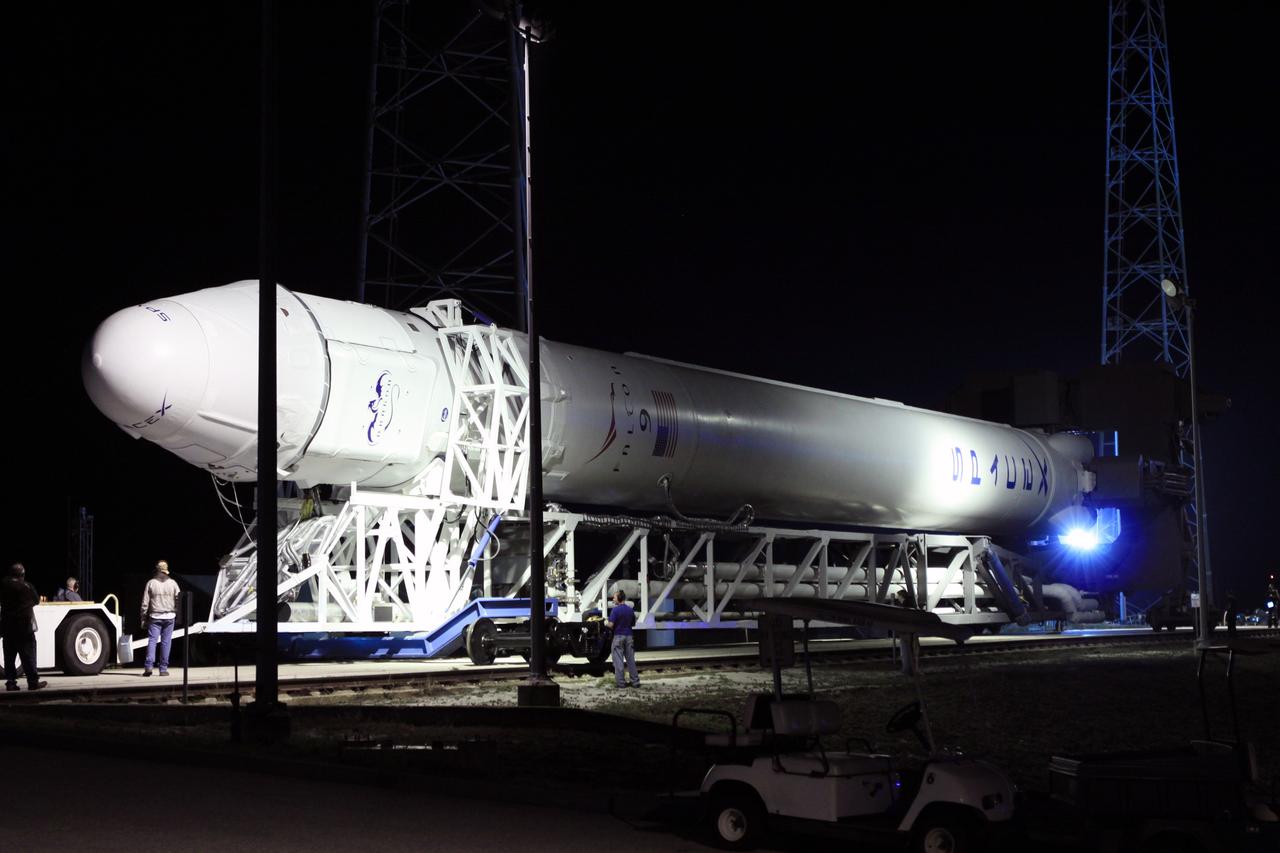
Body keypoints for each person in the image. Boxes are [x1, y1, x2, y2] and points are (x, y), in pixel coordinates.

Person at [1, 563, 47, 691]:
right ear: (22, 574)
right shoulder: (26, 587)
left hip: (7, 627)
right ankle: (33, 682)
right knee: (28, 655)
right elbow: (36, 600)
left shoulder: (4, 585)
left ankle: (10, 683)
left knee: (9, 657)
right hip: (24, 628)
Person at [141, 559, 181, 676]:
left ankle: (148, 666)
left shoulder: (151, 583)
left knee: (152, 641)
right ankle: (163, 669)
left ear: (157, 570)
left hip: (155, 616)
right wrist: (177, 613)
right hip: (169, 616)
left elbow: (145, 602)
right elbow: (179, 599)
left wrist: (143, 617)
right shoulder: (173, 583)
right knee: (166, 642)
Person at [605, 589, 639, 688]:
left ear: (619, 598)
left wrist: (605, 624)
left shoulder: (615, 610)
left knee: (618, 660)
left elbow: (611, 625)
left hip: (618, 636)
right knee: (631, 660)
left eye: (614, 597)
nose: (613, 599)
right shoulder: (630, 610)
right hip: (629, 636)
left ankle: (621, 683)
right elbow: (633, 623)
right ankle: (635, 682)